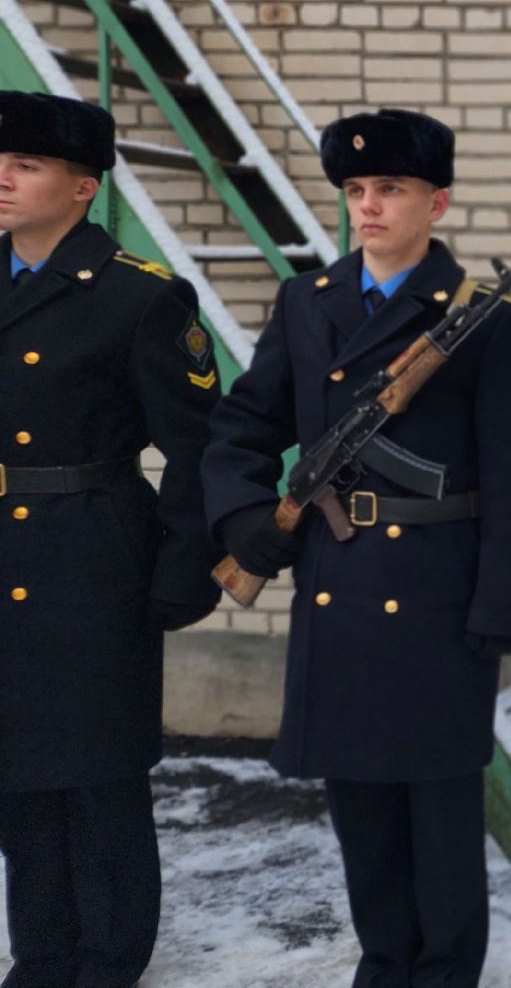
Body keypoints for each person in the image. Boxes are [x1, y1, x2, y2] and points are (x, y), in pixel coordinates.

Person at [201, 108, 511, 988]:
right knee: (359, 813)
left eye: (389, 189)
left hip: (438, 599)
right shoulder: (308, 302)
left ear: (435, 202)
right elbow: (245, 423)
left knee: (438, 821)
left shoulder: (486, 319)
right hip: (339, 581)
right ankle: (383, 964)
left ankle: (440, 974)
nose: (368, 206)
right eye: (356, 191)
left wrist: (503, 605)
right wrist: (246, 514)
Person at [0, 90, 222, 988]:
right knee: (17, 769)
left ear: (83, 187)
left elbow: (200, 447)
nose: (3, 180)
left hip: (94, 559)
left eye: (27, 166)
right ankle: (43, 954)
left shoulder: (139, 296)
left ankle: (108, 957)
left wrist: (182, 567)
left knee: (97, 773)